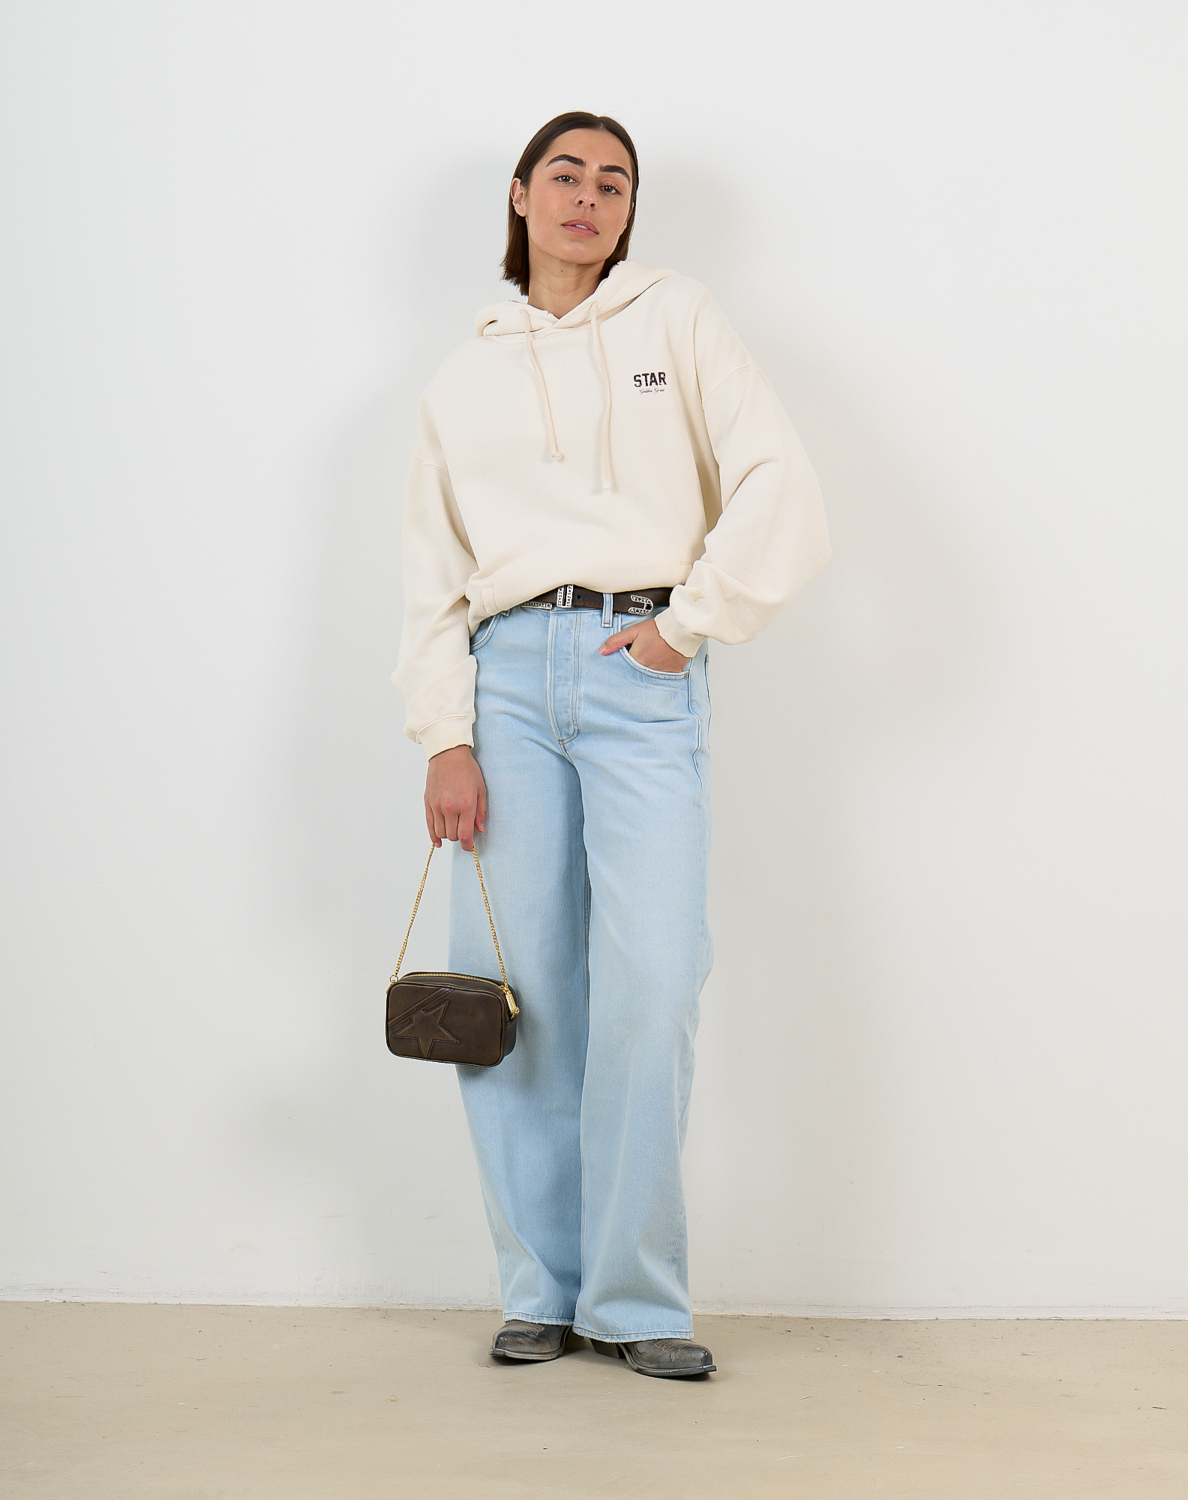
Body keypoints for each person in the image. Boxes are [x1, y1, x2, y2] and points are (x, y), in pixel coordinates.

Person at [393, 111, 830, 1379]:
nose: (590, 196)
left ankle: (636, 1300)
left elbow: (778, 481)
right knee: (516, 993)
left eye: (616, 182)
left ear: (631, 211)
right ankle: (540, 1286)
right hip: (504, 684)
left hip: (641, 667)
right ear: (521, 194)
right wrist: (445, 734)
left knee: (654, 978)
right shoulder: (461, 375)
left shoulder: (675, 317)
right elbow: (429, 575)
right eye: (567, 174)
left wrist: (684, 629)